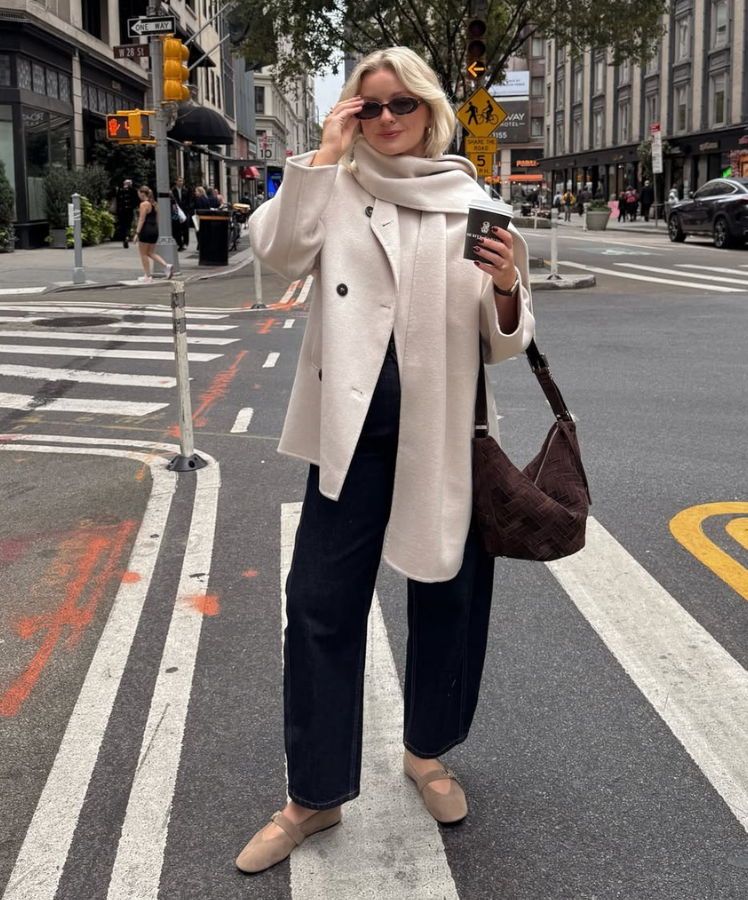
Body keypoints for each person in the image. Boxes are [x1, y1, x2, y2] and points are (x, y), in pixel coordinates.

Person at [241, 46, 535, 875]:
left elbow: (505, 339)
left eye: (401, 103)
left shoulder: (473, 202)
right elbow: (276, 254)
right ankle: (313, 795)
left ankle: (428, 752)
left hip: (443, 435)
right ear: (351, 115)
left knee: (447, 599)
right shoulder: (332, 190)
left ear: (430, 109)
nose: (387, 118)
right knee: (321, 606)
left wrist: (510, 286)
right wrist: (321, 157)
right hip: (350, 435)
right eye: (368, 106)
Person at [133, 185, 172, 283]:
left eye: (138, 194)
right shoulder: (155, 204)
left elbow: (141, 219)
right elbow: (157, 218)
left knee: (143, 254)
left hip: (146, 229)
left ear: (142, 194)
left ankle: (148, 275)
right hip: (154, 229)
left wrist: (137, 233)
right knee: (150, 252)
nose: (138, 196)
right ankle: (166, 266)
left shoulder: (144, 204)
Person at [170, 176, 191, 251]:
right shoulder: (172, 191)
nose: (181, 182)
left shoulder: (186, 190)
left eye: (182, 181)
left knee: (185, 227)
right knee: (176, 228)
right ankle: (179, 243)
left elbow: (189, 201)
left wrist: (188, 210)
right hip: (176, 211)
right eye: (179, 181)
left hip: (185, 211)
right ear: (176, 182)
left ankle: (185, 242)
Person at [115, 178, 138, 248]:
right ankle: (127, 236)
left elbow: (118, 200)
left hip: (121, 211)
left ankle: (124, 237)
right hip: (129, 210)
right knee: (128, 224)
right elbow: (136, 200)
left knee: (122, 224)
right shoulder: (133, 190)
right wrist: (132, 207)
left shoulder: (120, 190)